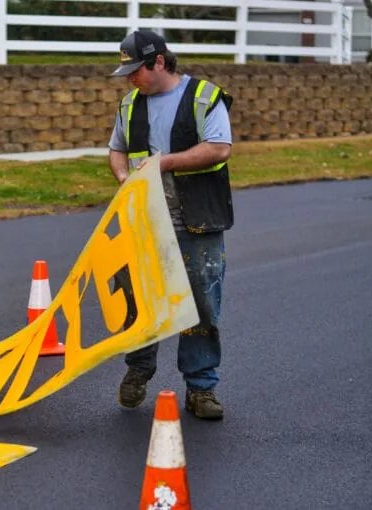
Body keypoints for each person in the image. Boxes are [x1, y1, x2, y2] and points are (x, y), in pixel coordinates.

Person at [108, 30, 234, 420]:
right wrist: (124, 178)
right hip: (146, 221)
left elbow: (219, 148)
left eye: (136, 71)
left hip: (196, 220)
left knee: (200, 305)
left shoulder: (204, 97)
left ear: (159, 62)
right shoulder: (130, 104)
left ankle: (201, 388)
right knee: (137, 300)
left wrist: (163, 163)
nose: (131, 79)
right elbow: (117, 151)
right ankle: (138, 368)